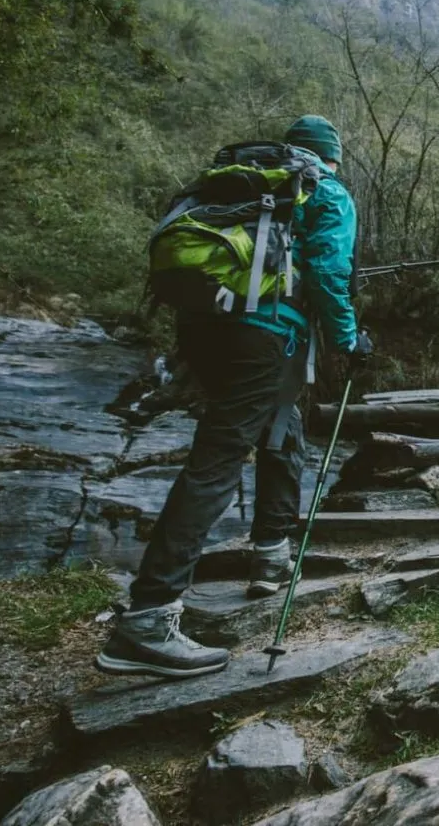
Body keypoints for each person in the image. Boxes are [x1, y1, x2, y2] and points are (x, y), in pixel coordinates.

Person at [96, 115, 372, 678]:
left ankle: (270, 550)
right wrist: (348, 338)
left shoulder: (242, 180)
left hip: (205, 325)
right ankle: (147, 618)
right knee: (218, 460)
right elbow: (326, 269)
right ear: (330, 157)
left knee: (280, 423)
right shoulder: (327, 189)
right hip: (264, 333)